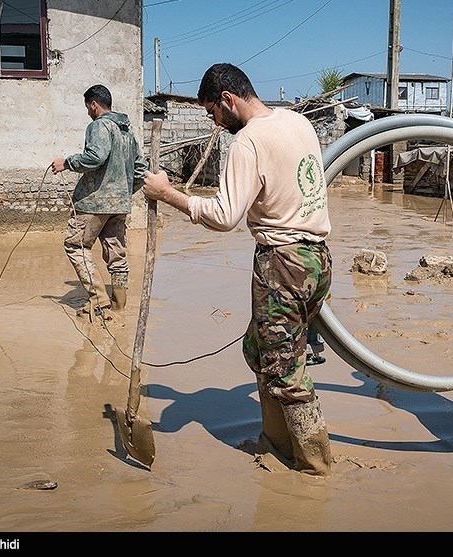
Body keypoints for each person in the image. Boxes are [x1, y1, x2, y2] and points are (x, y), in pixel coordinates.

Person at [143, 63, 333, 476]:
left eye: (213, 112)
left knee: (286, 372)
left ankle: (316, 470)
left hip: (283, 265)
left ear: (228, 100)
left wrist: (168, 193)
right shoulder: (297, 121)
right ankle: (275, 442)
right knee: (259, 350)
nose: (214, 122)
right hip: (318, 260)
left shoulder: (247, 142)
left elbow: (225, 216)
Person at [51, 84, 147, 323]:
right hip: (119, 205)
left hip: (94, 203)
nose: (88, 112)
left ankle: (99, 298)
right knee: (117, 256)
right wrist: (124, 193)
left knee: (76, 246)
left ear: (94, 104)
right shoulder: (128, 134)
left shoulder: (99, 126)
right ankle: (119, 306)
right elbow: (140, 171)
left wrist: (67, 163)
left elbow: (95, 156)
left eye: (87, 107)